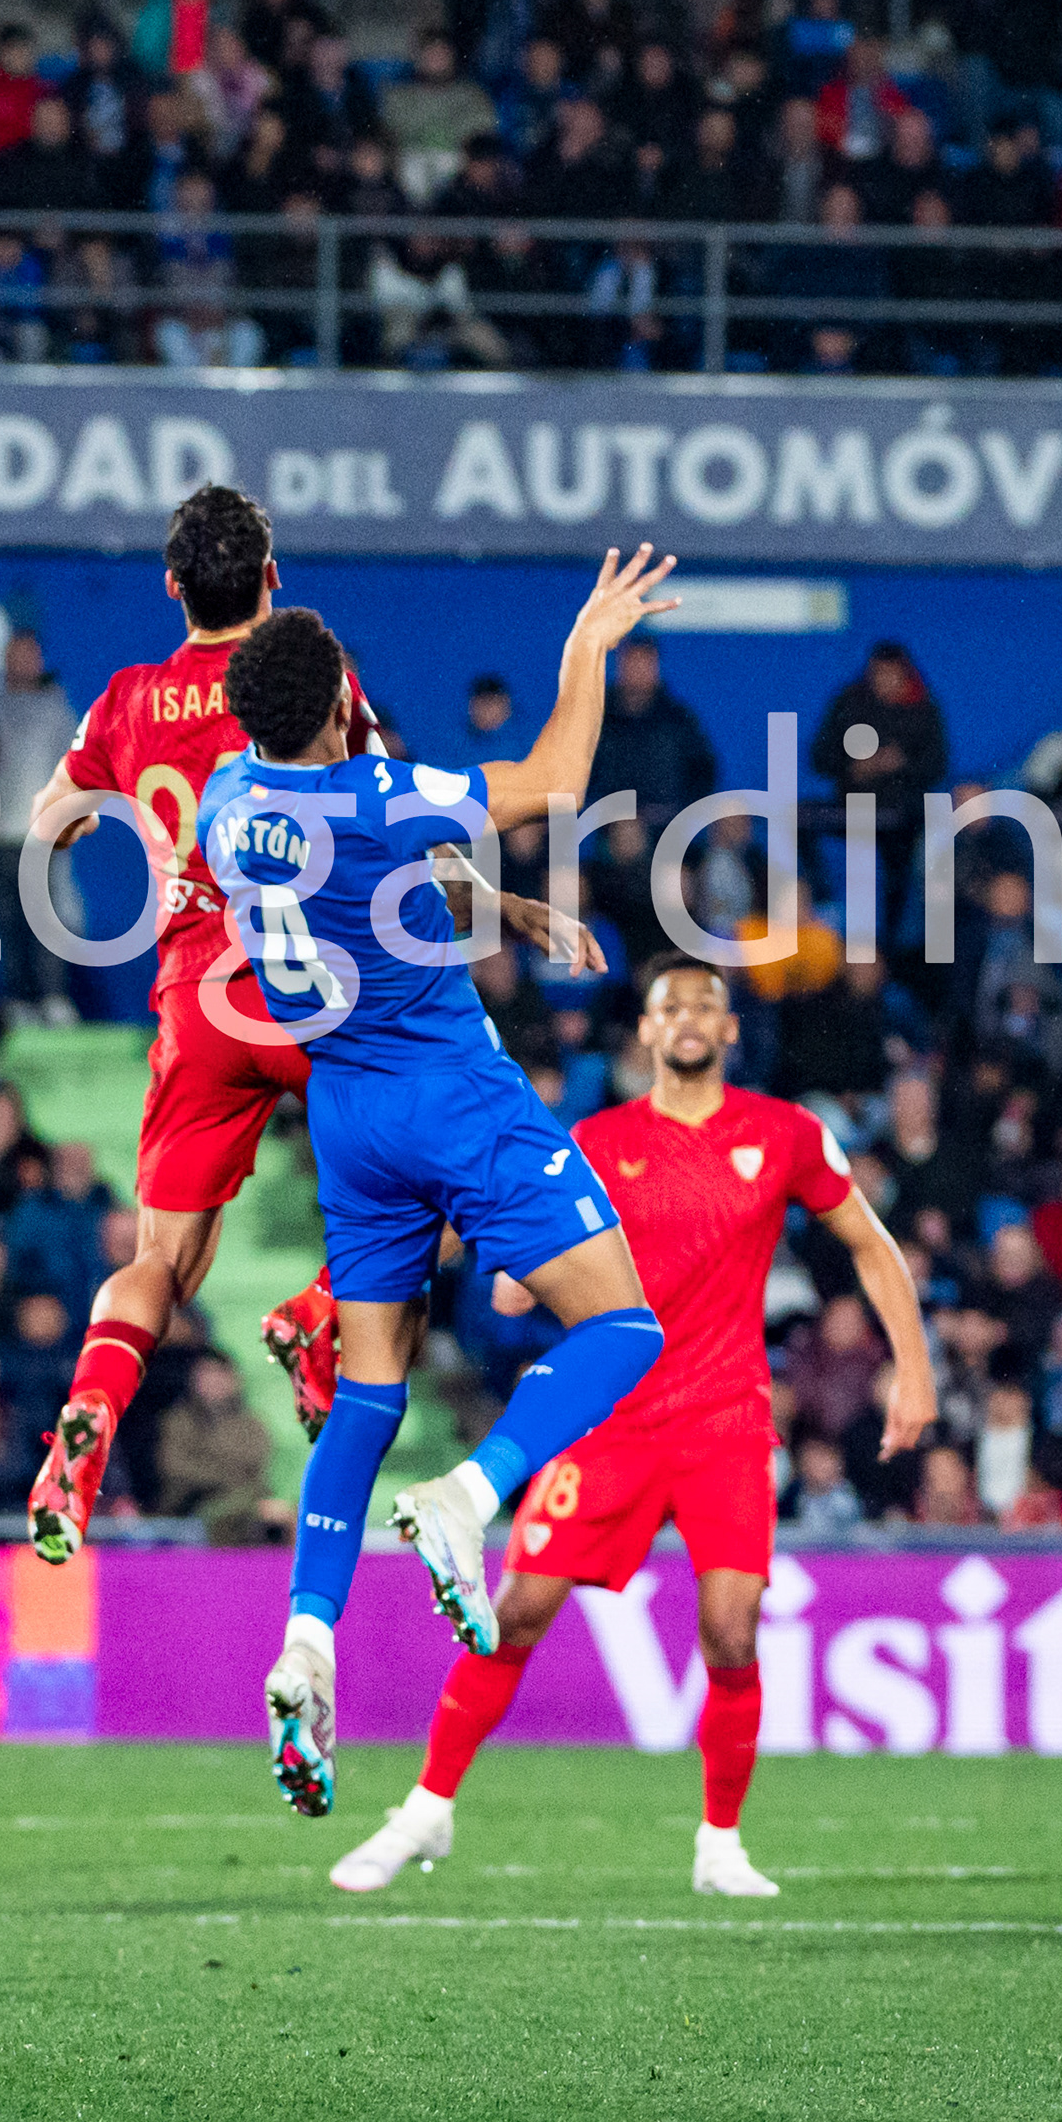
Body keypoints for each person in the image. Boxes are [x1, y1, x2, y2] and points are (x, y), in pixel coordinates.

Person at [193, 550, 676, 1815]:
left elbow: (387, 872)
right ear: (339, 705)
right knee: (624, 1326)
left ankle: (307, 1641)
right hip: (448, 1091)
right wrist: (586, 644)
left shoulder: (226, 798)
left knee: (365, 1395)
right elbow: (554, 778)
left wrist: (502, 906)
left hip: (346, 1115)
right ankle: (468, 1492)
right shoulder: (381, 792)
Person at [327, 954, 934, 1900]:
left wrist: (916, 1369)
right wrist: (516, 1271)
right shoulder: (593, 1141)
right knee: (515, 1612)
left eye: (704, 1004)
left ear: (729, 1029)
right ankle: (425, 1807)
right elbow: (515, 1264)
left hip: (726, 1417)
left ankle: (720, 1843)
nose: (686, 1016)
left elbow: (870, 1242)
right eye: (668, 1005)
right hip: (608, 1419)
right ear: (644, 1032)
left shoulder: (785, 1134)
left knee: (731, 1630)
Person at [14, 487, 369, 1561]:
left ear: (172, 586)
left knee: (163, 1262)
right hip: (306, 981)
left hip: (192, 998)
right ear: (273, 576)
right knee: (452, 1161)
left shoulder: (127, 698)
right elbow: (375, 804)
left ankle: (88, 1410)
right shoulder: (309, 674)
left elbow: (47, 824)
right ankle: (319, 1312)